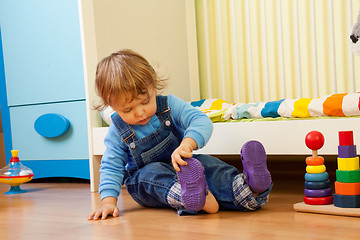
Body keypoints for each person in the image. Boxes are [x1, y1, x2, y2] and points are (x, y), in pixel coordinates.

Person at [88, 49, 272, 220]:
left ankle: (248, 187)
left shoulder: (168, 105)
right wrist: (108, 202)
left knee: (208, 165)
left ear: (153, 87)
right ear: (112, 106)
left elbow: (201, 120)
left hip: (185, 167)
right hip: (147, 180)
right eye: (128, 109)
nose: (140, 113)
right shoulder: (118, 131)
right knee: (148, 175)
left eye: (145, 101)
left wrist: (187, 145)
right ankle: (192, 196)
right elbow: (111, 166)